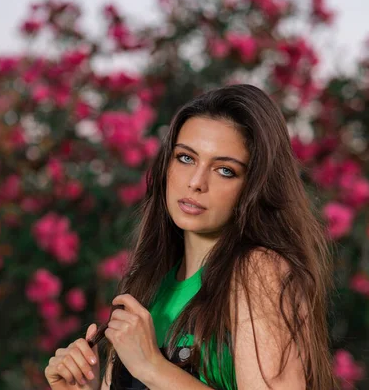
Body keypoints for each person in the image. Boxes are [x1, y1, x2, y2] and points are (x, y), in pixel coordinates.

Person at [44, 84, 338, 390]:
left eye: (224, 170)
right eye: (186, 158)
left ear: (254, 186)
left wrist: (153, 368)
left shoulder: (258, 270)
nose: (196, 182)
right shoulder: (147, 285)